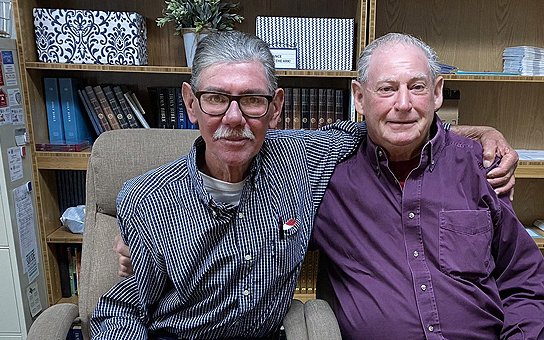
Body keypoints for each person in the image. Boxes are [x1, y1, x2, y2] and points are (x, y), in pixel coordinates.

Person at [100, 31, 520, 339]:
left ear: (276, 107)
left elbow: (394, 121)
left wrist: (479, 134)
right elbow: (118, 311)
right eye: (215, 99)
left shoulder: (303, 162)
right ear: (191, 103)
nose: (233, 118)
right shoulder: (146, 199)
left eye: (251, 100)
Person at [310, 33, 544, 339]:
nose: (403, 104)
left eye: (416, 87)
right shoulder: (324, 175)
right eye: (387, 89)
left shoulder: (480, 166)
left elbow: (525, 281)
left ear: (437, 93)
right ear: (359, 98)